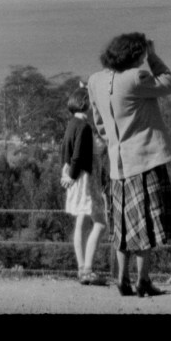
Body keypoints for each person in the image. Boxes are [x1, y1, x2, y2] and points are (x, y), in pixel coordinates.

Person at [87, 32, 171, 297]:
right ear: (134, 54)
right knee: (144, 225)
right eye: (140, 54)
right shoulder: (136, 78)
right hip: (144, 160)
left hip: (117, 164)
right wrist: (153, 55)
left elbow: (100, 123)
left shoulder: (95, 80)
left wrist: (116, 142)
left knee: (120, 226)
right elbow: (169, 83)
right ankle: (143, 281)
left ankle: (122, 279)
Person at [59, 85, 107, 285]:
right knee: (100, 223)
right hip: (86, 179)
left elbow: (65, 151)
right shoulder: (85, 127)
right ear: (85, 104)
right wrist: (72, 174)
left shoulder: (71, 124)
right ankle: (87, 269)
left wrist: (67, 172)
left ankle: (82, 268)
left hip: (78, 179)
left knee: (80, 222)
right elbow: (78, 154)